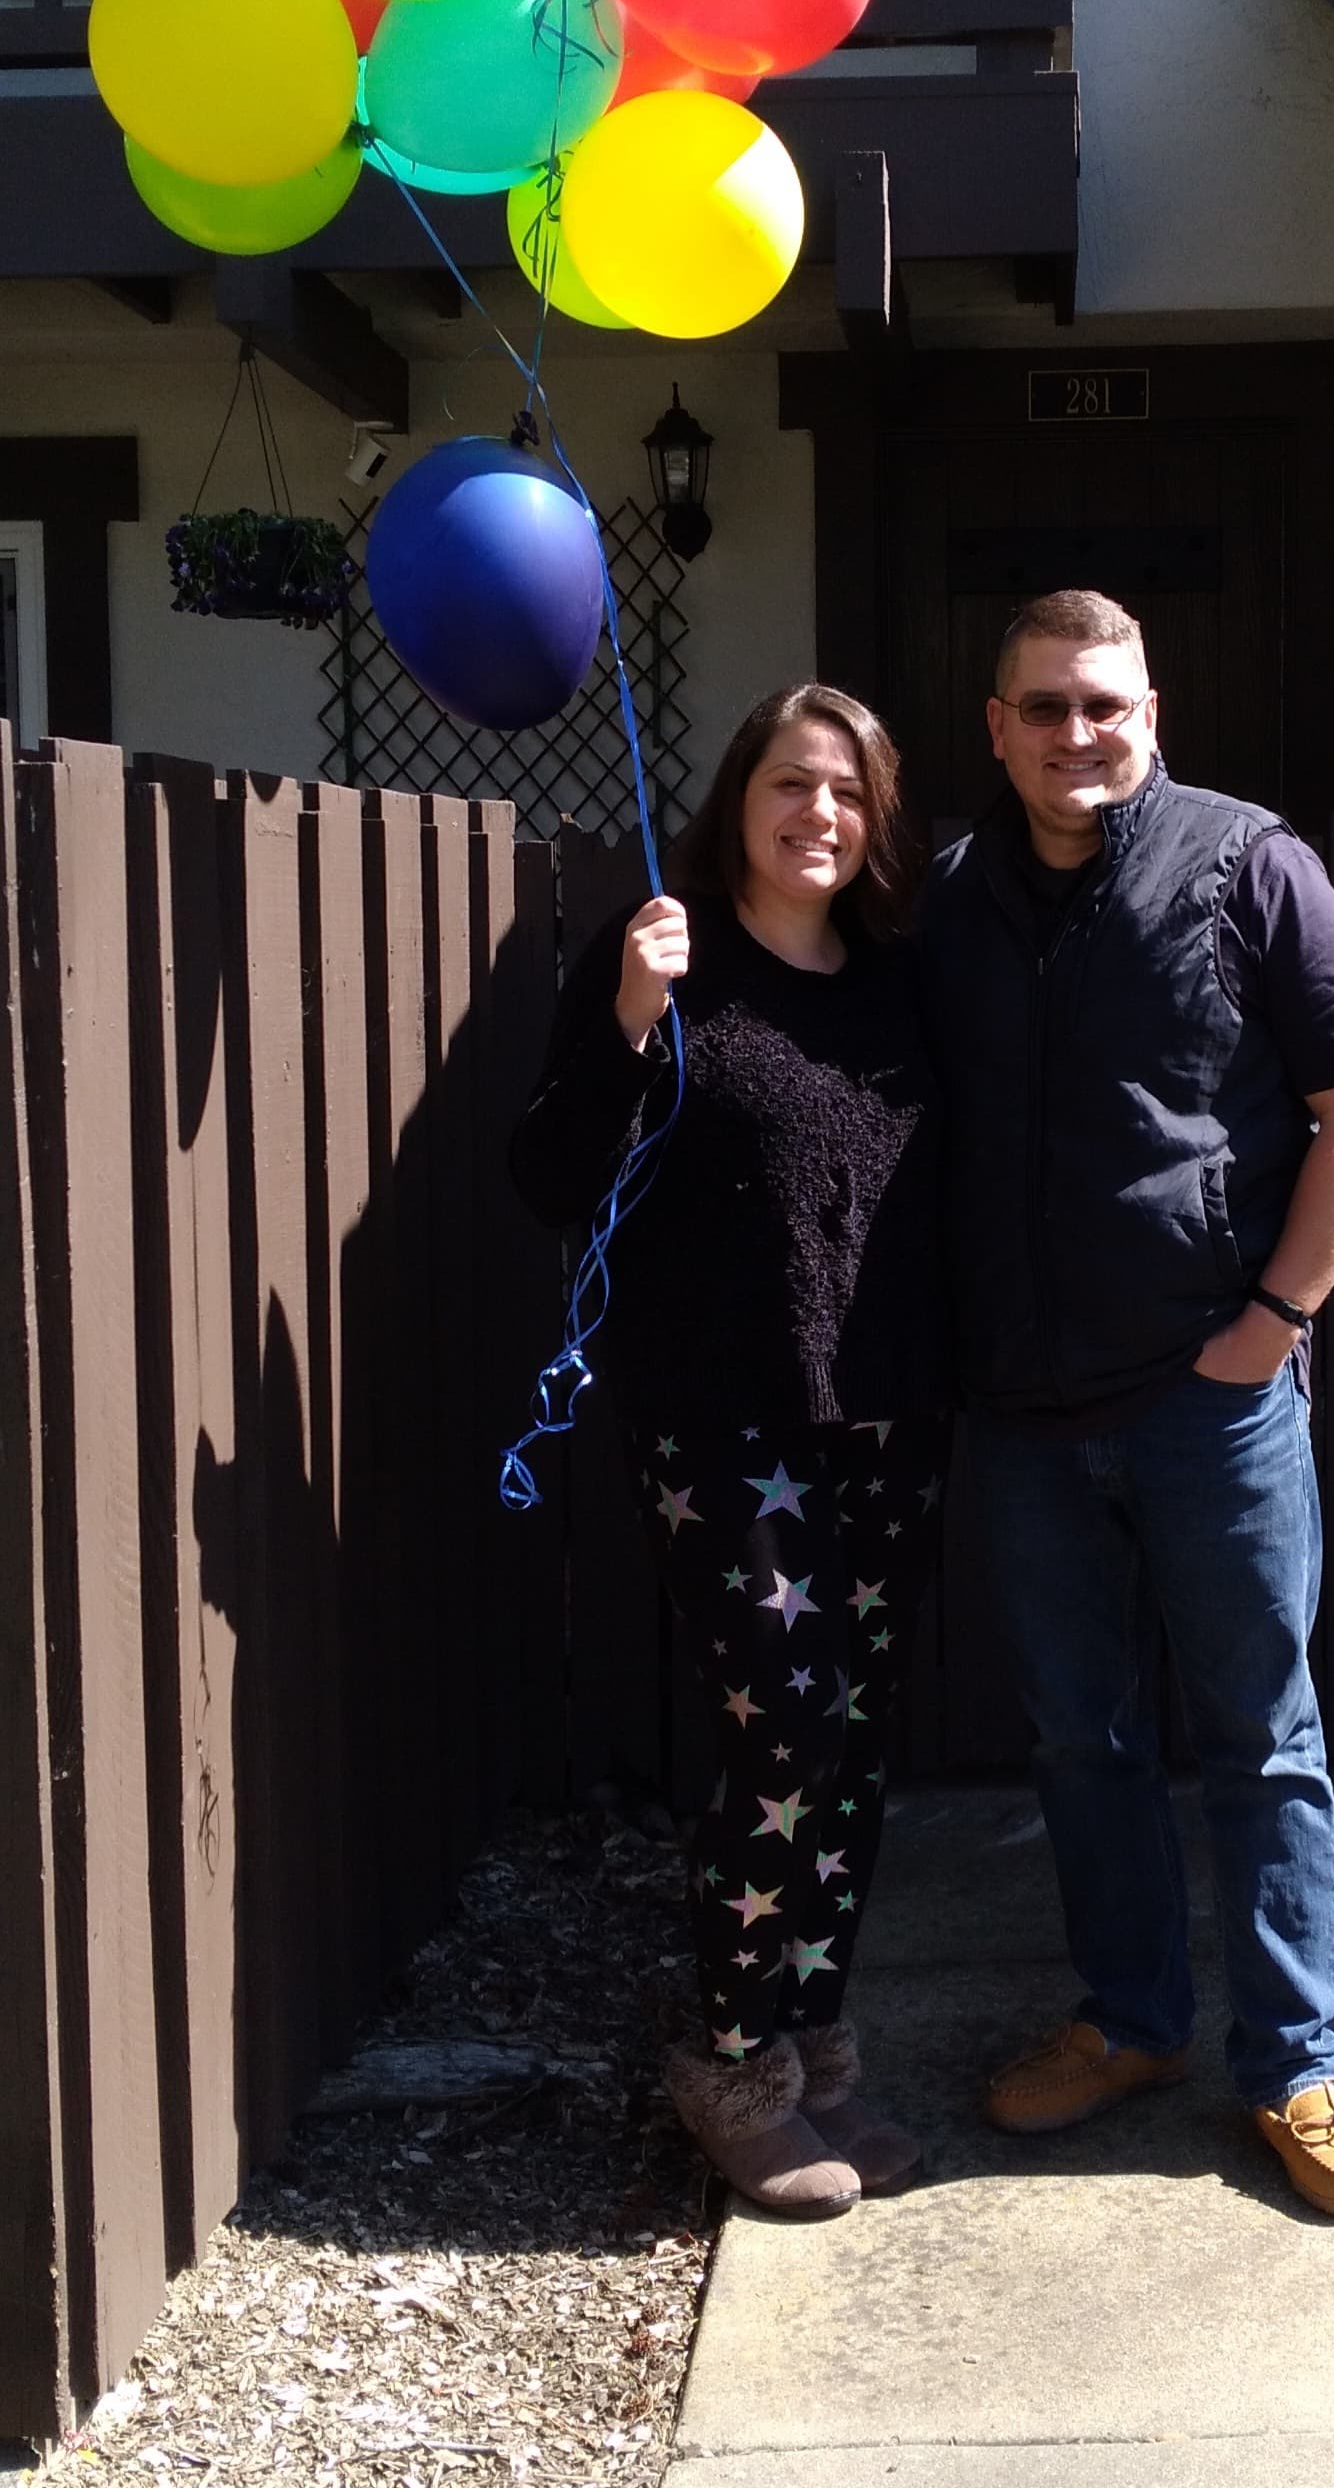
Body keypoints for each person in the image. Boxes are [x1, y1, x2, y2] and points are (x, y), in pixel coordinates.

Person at [917, 589, 1334, 2220]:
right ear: (998, 728)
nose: (1079, 733)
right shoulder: (951, 897)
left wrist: (1271, 1324)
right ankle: (1130, 2021)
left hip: (1213, 1398)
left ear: (1151, 714)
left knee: (1262, 1733)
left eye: (1105, 704)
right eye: (1046, 706)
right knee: (1085, 1735)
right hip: (1025, 1409)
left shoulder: (1249, 864)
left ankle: (1302, 2063)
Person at [510, 684, 948, 2221]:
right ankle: (731, 2058)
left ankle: (814, 2041)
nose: (818, 812)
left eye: (848, 790)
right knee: (787, 1728)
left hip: (887, 1412)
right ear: (738, 799)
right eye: (790, 782)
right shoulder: (664, 955)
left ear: (877, 819)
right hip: (720, 1417)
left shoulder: (899, 980)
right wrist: (630, 1018)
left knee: (857, 1741)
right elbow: (549, 1171)